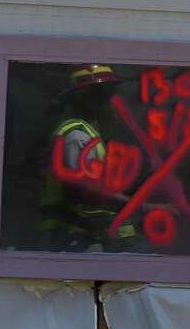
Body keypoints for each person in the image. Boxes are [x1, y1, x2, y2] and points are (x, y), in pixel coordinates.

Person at [38, 64, 135, 250]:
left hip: (87, 233)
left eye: (109, 93)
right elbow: (87, 191)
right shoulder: (76, 135)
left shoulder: (90, 132)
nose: (110, 101)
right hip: (74, 237)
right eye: (103, 95)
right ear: (84, 98)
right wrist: (141, 204)